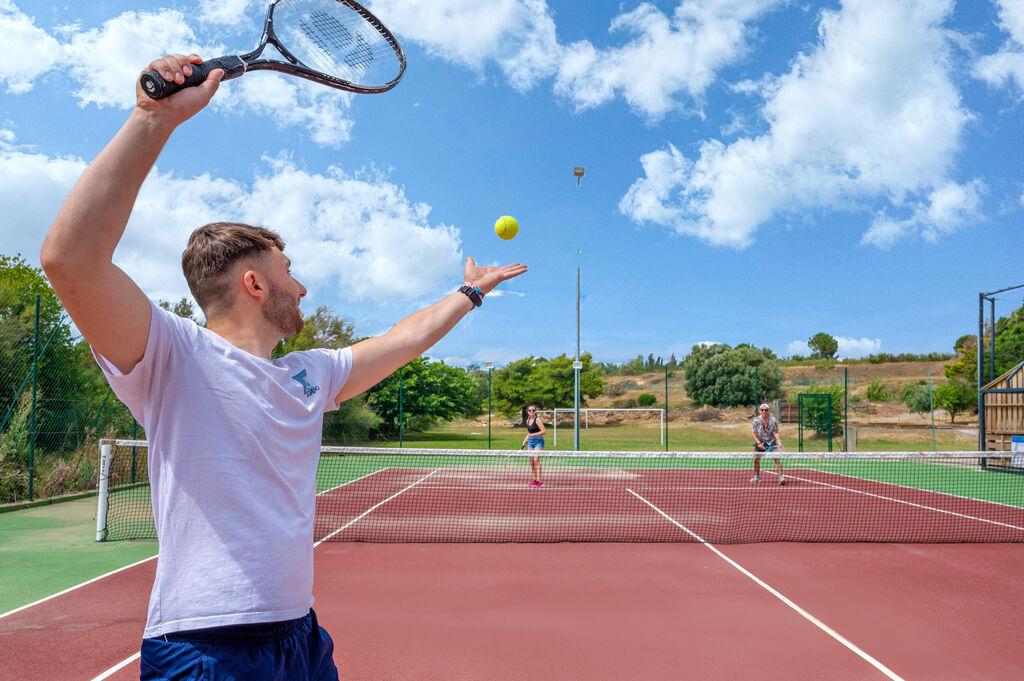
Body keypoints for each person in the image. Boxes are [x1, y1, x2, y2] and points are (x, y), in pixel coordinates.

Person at [39, 54, 527, 681]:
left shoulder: (311, 374)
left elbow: (403, 340)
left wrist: (470, 293)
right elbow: (69, 259)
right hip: (203, 645)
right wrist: (151, 117)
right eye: (288, 269)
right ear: (253, 283)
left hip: (300, 635)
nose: (303, 286)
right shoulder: (172, 354)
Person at [751, 403, 785, 485]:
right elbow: (753, 433)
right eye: (762, 410)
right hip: (760, 442)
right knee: (756, 459)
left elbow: (776, 432)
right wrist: (759, 443)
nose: (764, 411)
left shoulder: (773, 420)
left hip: (771, 442)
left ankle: (781, 477)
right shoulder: (756, 420)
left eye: (766, 410)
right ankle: (757, 476)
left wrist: (779, 442)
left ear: (768, 411)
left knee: (776, 458)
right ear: (760, 411)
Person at [521, 404, 546, 487]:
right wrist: (525, 440)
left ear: (536, 411)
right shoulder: (527, 421)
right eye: (530, 410)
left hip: (539, 441)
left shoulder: (538, 420)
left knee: (536, 460)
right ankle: (534, 480)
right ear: (527, 412)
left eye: (533, 410)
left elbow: (544, 431)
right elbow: (529, 433)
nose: (532, 412)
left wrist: (533, 435)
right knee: (531, 461)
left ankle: (539, 481)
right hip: (531, 442)